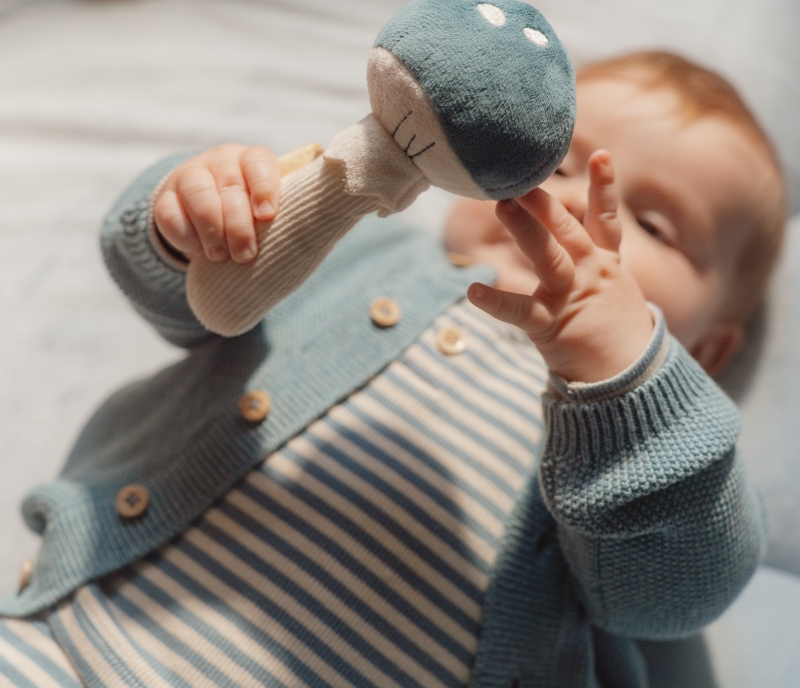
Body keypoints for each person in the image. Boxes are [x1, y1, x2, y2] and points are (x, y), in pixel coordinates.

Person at [0, 52, 785, 688]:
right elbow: (196, 300)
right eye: (553, 162)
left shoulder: (661, 445)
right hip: (78, 642)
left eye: (650, 223)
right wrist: (198, 221)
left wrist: (627, 380)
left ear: (711, 349)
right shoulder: (365, 247)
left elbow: (676, 594)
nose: (574, 205)